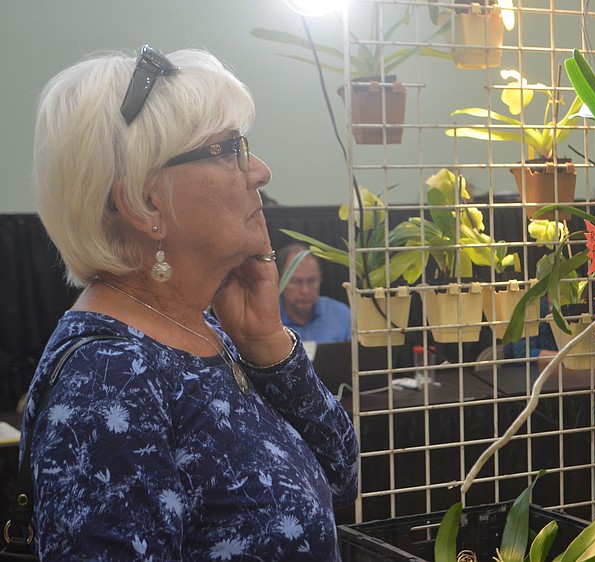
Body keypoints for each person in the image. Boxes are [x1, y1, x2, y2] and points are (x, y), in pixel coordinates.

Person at [23, 45, 358, 560]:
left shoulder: (204, 329)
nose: (260, 171)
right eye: (228, 150)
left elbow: (340, 481)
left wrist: (267, 345)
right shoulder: (110, 380)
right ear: (144, 202)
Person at [278, 243, 352, 343]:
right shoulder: (266, 320)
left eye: (312, 281)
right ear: (280, 280)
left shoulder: (342, 316)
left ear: (320, 278)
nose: (305, 291)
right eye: (296, 281)